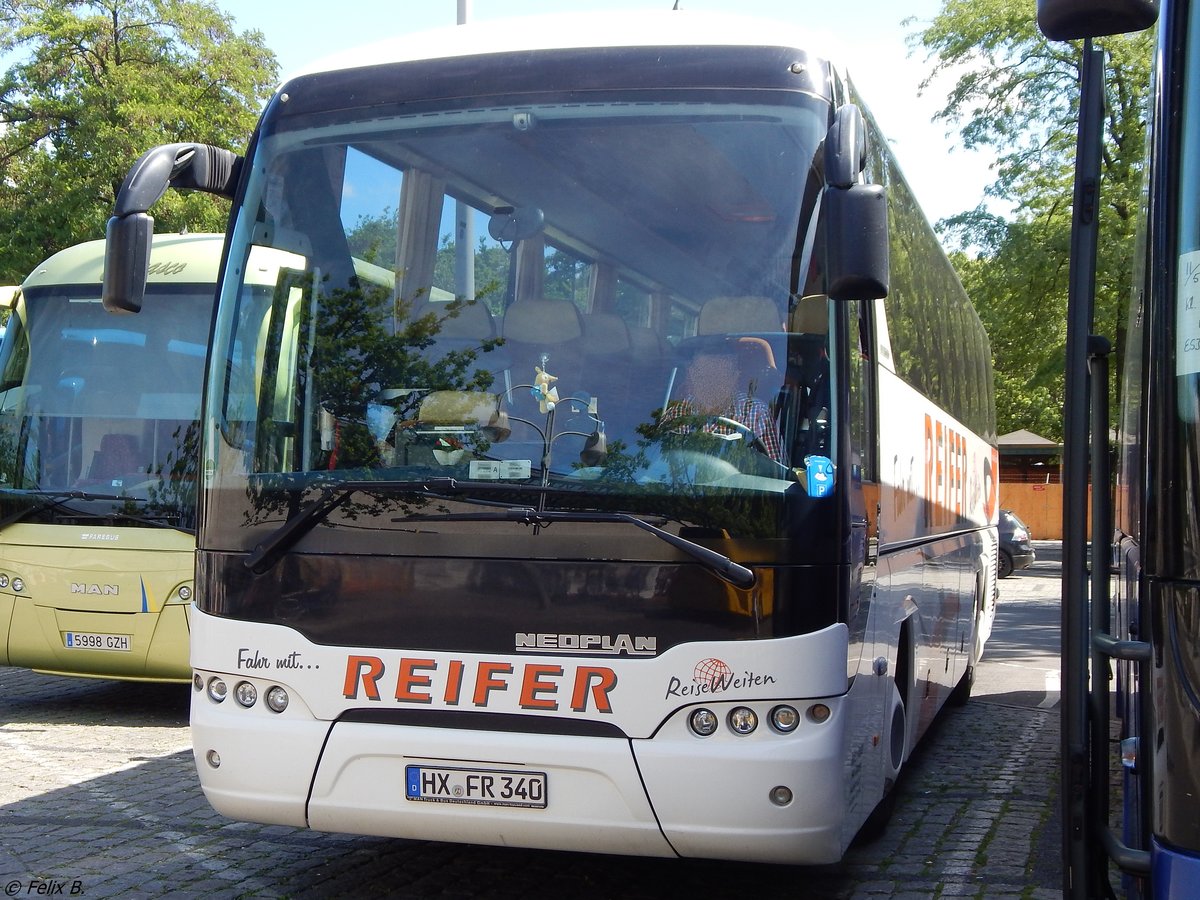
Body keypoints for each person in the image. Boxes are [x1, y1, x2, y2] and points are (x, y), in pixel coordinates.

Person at [660, 347, 783, 462]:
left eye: (720, 376)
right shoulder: (676, 414)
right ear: (692, 374)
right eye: (703, 375)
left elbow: (775, 471)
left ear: (735, 377)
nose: (711, 384)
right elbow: (657, 463)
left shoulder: (757, 414)